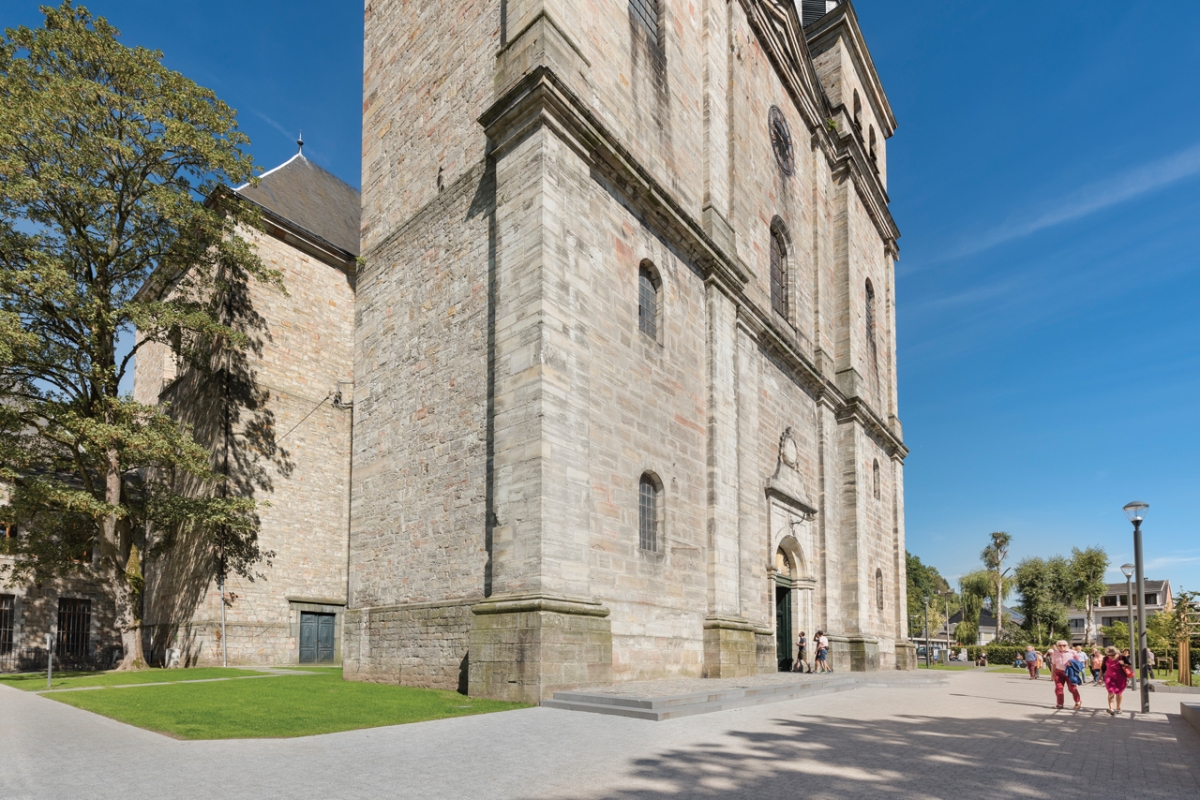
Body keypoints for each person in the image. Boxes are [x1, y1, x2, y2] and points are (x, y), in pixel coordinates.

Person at [1047, 640, 1083, 710]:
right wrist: (1052, 674)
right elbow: (1053, 664)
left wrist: (1072, 663)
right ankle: (1060, 704)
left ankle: (1078, 701)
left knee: (1072, 688)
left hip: (1070, 672)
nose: (1062, 647)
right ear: (1057, 646)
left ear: (1067, 646)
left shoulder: (1073, 652)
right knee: (1058, 688)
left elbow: (1079, 663)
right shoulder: (1055, 653)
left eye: (1064, 645)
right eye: (1060, 645)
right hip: (1059, 672)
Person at [1102, 645, 1130, 715]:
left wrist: (1124, 664)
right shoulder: (1105, 658)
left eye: (1113, 655)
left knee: (1118, 693)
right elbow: (1102, 668)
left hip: (1121, 678)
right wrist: (1099, 678)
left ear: (1116, 652)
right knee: (1110, 692)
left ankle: (1118, 707)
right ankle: (1111, 708)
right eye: (1109, 655)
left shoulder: (1122, 657)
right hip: (1109, 677)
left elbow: (1130, 666)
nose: (1111, 656)